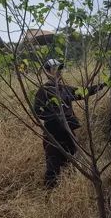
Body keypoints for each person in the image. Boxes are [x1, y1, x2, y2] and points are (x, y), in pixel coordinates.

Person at [33, 59, 104, 188]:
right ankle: (48, 195)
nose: (59, 72)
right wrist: (57, 117)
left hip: (68, 131)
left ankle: (67, 189)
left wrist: (103, 85)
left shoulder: (64, 89)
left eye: (60, 69)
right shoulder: (43, 91)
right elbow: (38, 112)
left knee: (71, 162)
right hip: (53, 133)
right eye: (55, 69)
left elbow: (84, 92)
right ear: (47, 72)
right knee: (53, 165)